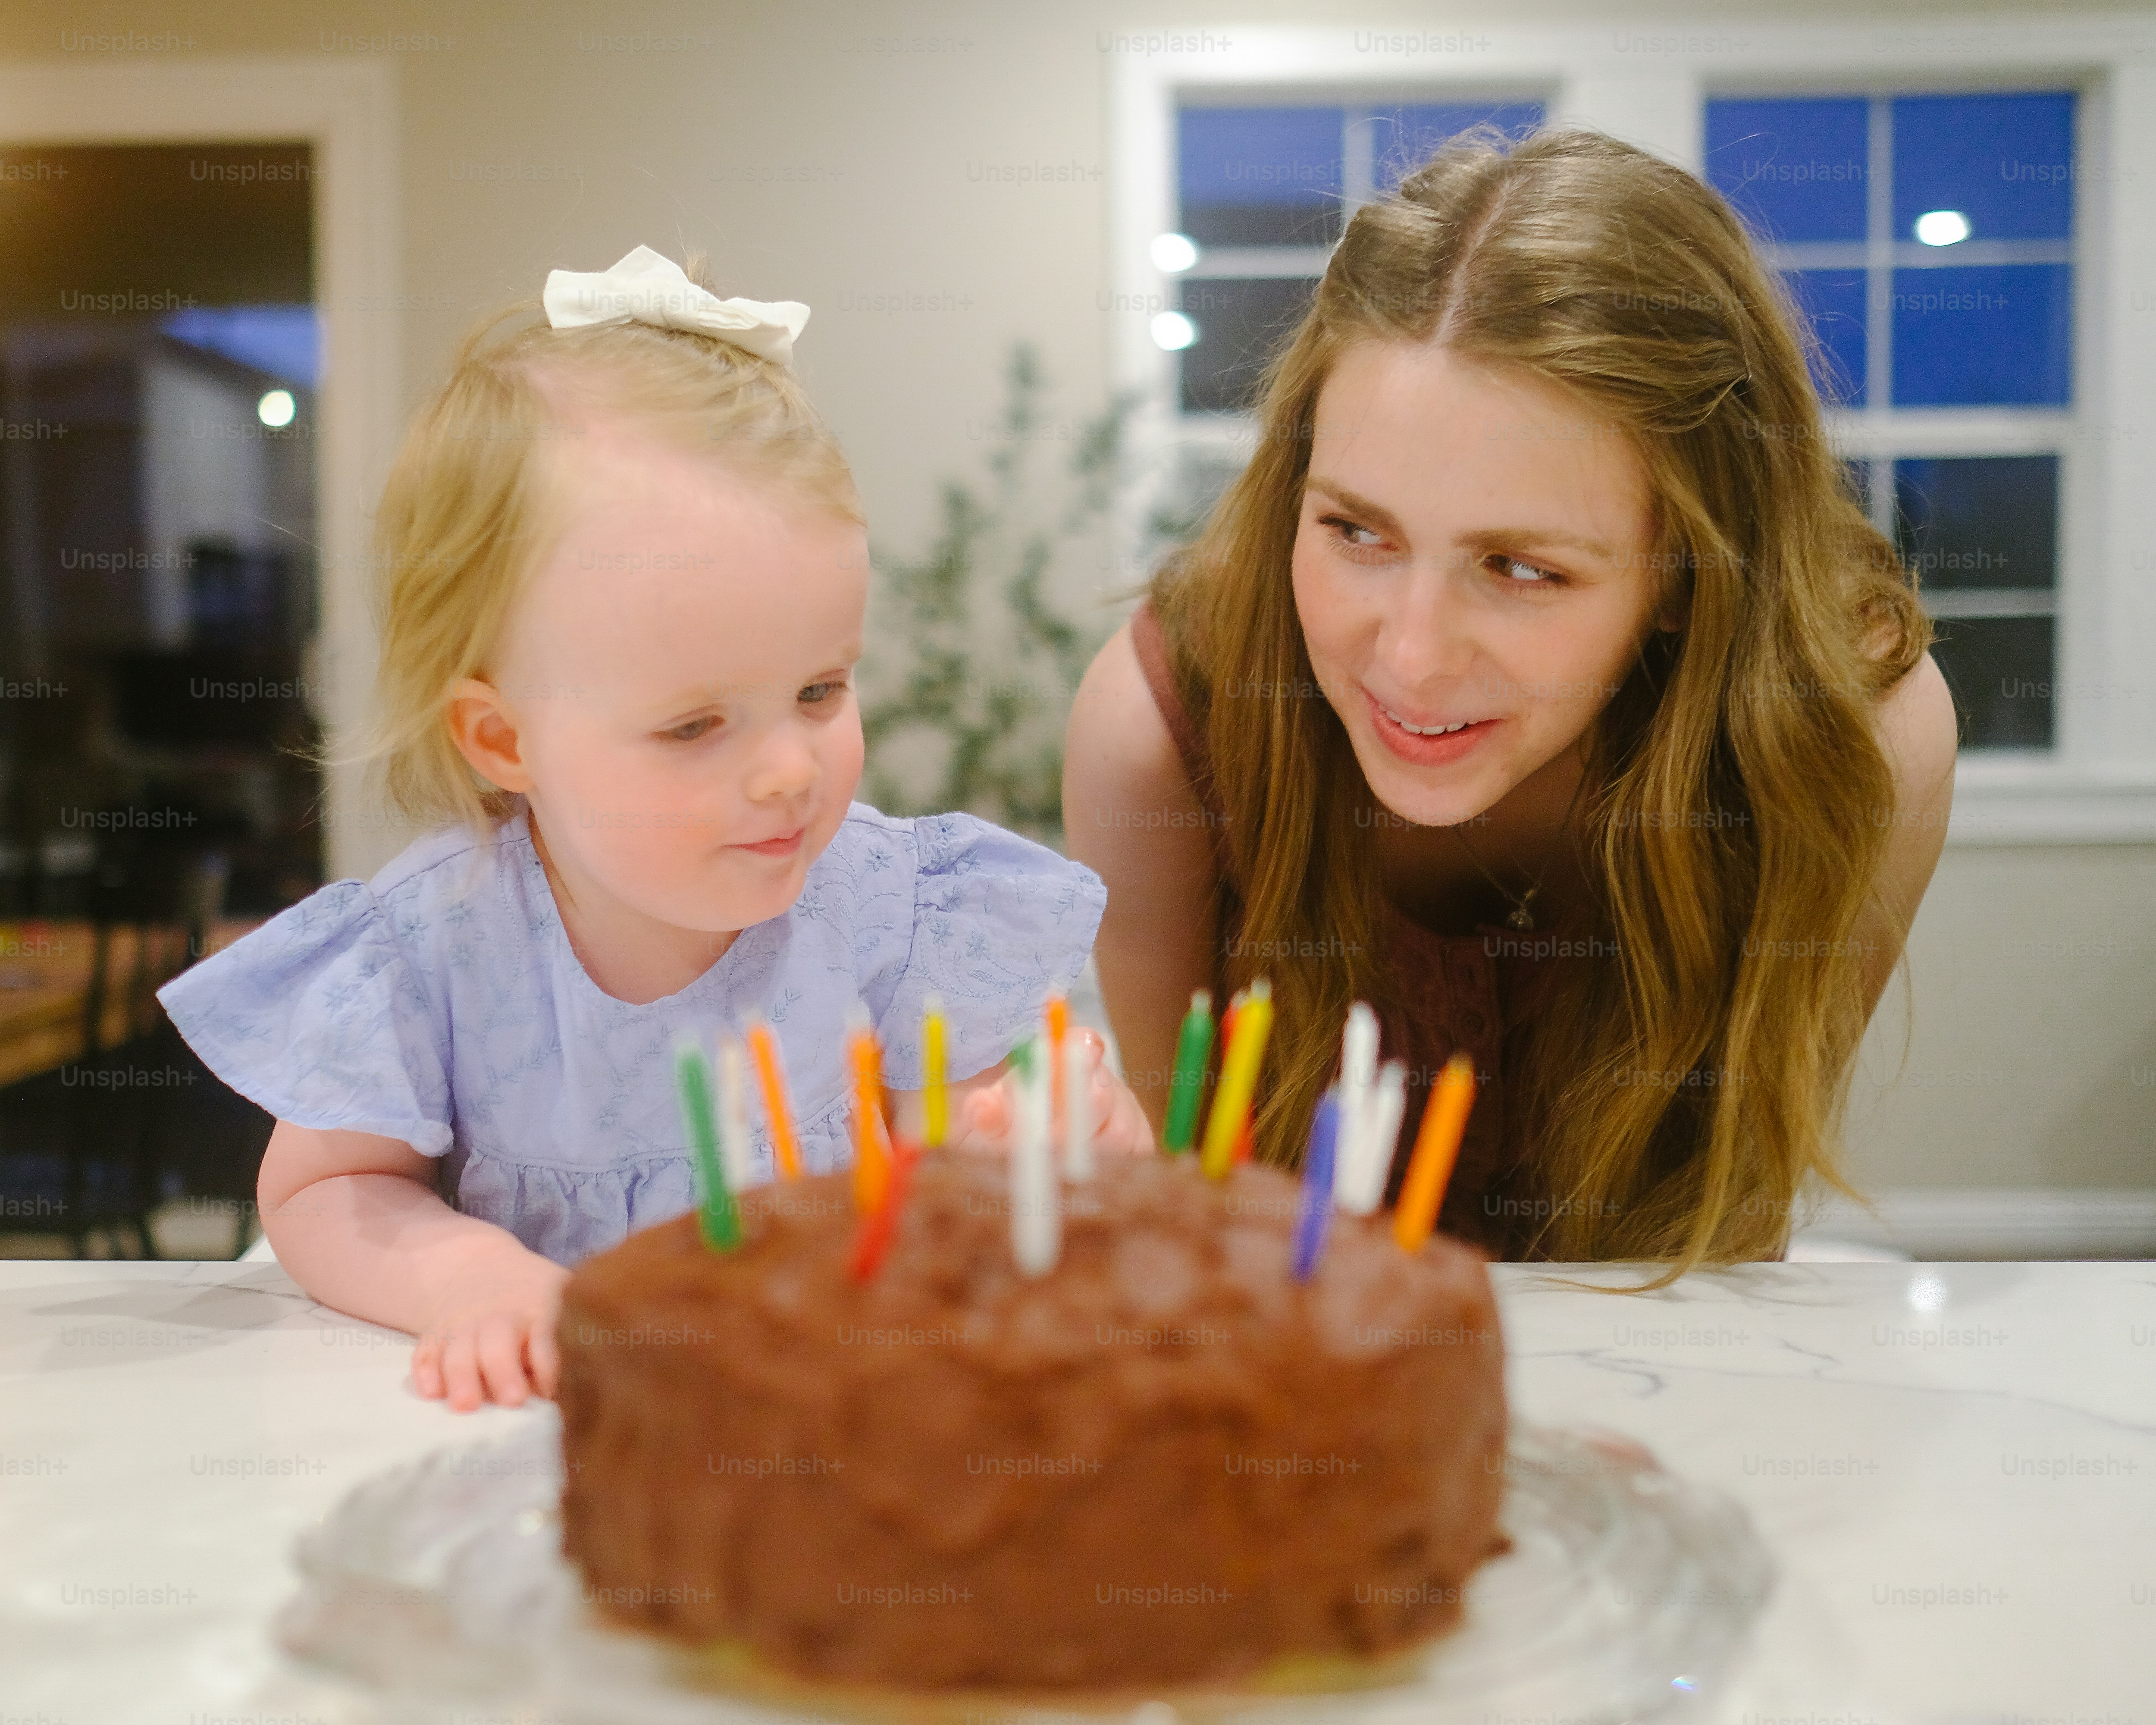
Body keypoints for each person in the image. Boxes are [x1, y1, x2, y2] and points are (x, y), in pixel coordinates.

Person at [161, 247, 1148, 1412]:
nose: (790, 771)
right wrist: (467, 1280)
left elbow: (970, 1173)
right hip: (546, 1449)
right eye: (694, 727)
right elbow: (329, 1194)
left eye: (822, 691)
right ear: (504, 740)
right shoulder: (434, 948)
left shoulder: (894, 911)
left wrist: (1045, 1149)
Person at [1064, 130, 1957, 1277]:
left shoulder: (1861, 735)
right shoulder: (1159, 736)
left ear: (1688, 571)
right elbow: (1181, 1214)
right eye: (1356, 530)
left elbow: (1729, 1216)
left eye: (1525, 569)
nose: (1414, 659)